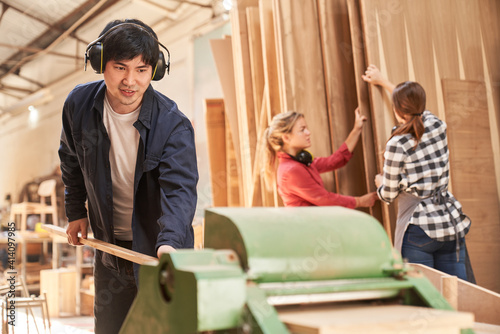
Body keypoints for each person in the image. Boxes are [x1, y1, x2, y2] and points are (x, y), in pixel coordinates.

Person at [58, 19, 198, 333]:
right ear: (100, 64)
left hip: (159, 257)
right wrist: (76, 212)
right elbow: (70, 158)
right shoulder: (78, 106)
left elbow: (180, 191)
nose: (130, 81)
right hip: (110, 253)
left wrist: (170, 243)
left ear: (155, 71)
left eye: (141, 70)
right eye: (120, 67)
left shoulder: (172, 124)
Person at [362, 64, 471, 280]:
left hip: (418, 227)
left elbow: (388, 195)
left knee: (423, 295)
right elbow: (414, 109)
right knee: (459, 293)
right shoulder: (437, 125)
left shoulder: (397, 143)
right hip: (448, 222)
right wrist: (384, 81)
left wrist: (380, 182)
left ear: (397, 111)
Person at [263, 108, 378, 208]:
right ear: (286, 138)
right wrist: (360, 201)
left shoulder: (300, 161)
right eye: (302, 130)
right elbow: (324, 199)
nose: (308, 133)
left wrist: (357, 129)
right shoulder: (291, 171)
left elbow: (333, 161)